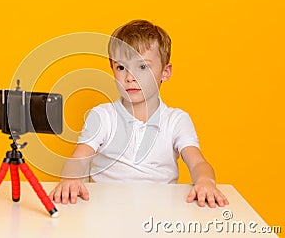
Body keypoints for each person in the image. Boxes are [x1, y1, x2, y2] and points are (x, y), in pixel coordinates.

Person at [49, 19, 229, 208]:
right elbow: (78, 159)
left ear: (165, 72)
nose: (129, 77)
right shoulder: (103, 116)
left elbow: (198, 162)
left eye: (142, 67)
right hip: (105, 211)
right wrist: (70, 178)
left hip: (158, 213)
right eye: (121, 67)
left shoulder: (176, 120)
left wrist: (205, 182)